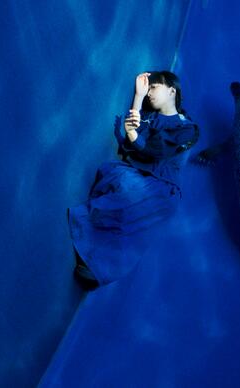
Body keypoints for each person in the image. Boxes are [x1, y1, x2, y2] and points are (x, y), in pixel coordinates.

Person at [67, 71, 199, 290]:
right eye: (148, 90)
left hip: (163, 188)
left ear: (172, 90)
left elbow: (155, 150)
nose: (150, 94)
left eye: (154, 88)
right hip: (138, 176)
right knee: (118, 181)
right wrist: (138, 97)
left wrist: (132, 134)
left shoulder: (187, 128)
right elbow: (131, 144)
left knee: (129, 199)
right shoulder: (149, 117)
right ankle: (94, 258)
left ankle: (101, 267)